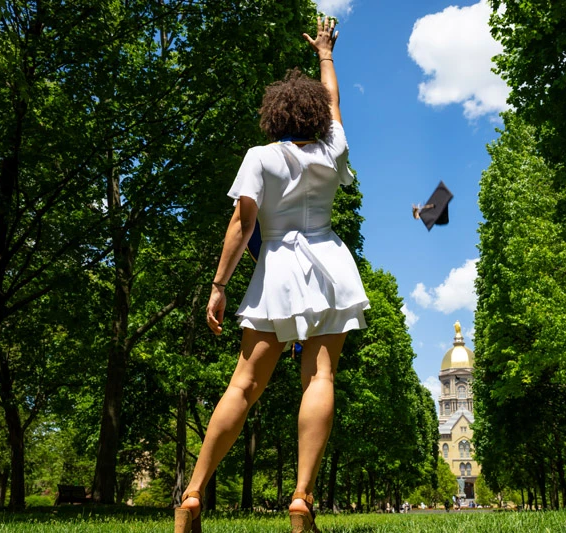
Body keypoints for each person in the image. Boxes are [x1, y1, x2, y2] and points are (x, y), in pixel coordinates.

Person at [173, 16, 369, 533]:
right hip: (330, 262)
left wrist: (218, 287)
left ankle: (192, 496)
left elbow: (242, 225)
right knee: (320, 377)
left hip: (278, 267)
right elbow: (333, 105)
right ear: (314, 117)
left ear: (274, 113)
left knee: (243, 385)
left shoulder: (260, 158)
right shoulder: (333, 150)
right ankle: (302, 499)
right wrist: (326, 53)